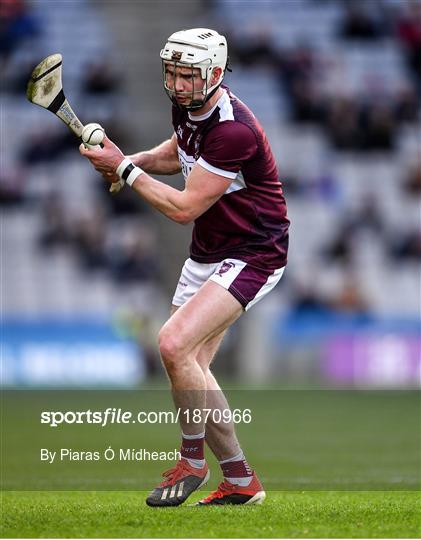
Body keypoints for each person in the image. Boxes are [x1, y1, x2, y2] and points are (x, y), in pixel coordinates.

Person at [80, 28, 290, 507]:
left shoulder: (234, 129)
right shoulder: (189, 107)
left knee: (172, 343)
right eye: (172, 72)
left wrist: (126, 173)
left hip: (254, 251)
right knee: (187, 361)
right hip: (209, 250)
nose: (176, 83)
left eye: (187, 75)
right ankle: (240, 481)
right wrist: (128, 161)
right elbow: (178, 152)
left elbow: (182, 209)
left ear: (215, 74)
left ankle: (192, 461)